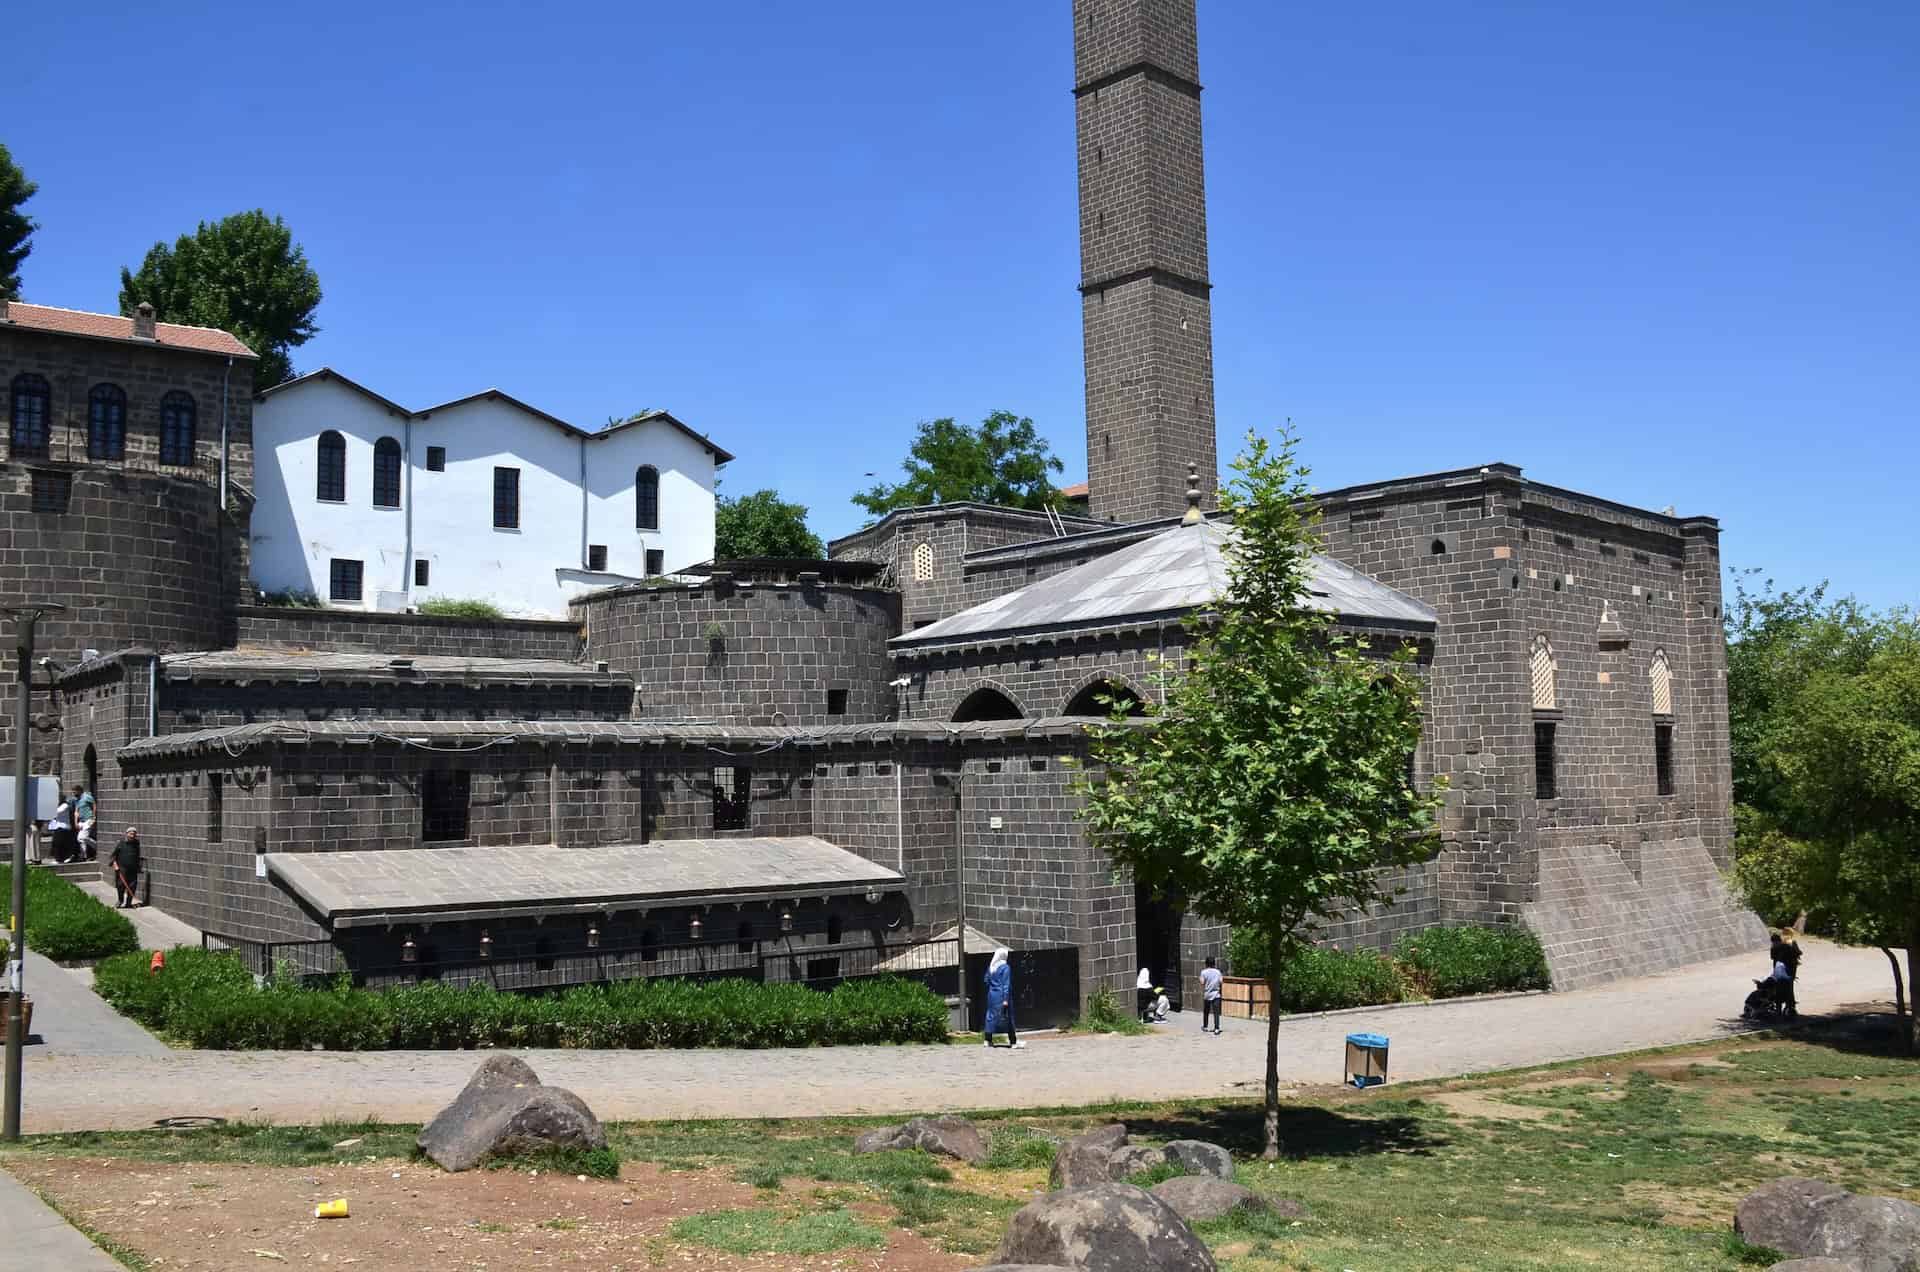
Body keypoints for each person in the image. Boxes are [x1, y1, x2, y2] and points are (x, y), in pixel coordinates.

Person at [982, 947, 1024, 1049]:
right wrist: (1005, 999)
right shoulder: (1005, 968)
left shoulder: (991, 967)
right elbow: (1006, 984)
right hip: (1002, 996)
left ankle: (988, 1040)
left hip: (992, 996)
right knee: (1008, 1017)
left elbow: (986, 980)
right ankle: (1013, 1042)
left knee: (990, 1017)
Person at [1769, 928, 1802, 1018]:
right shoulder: (1791, 943)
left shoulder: (1778, 945)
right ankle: (1789, 1007)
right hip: (1790, 970)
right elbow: (1799, 953)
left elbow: (1772, 956)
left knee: (1779, 989)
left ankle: (1780, 1009)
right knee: (1789, 989)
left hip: (1781, 970)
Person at [111, 828, 143, 909]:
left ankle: (129, 903)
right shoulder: (120, 843)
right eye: (131, 834)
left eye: (134, 834)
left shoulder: (136, 843)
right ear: (127, 834)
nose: (132, 836)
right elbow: (113, 855)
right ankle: (120, 900)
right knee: (121, 885)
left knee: (132, 886)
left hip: (133, 868)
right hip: (122, 868)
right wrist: (115, 865)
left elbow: (137, 855)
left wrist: (139, 866)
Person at [46, 791, 77, 863]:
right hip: (58, 827)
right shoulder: (58, 806)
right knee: (56, 843)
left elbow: (57, 812)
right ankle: (58, 858)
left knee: (59, 843)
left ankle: (60, 859)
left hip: (63, 827)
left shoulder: (65, 805)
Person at [1200, 956, 1224, 1035]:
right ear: (1214, 963)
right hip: (1216, 994)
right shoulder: (1218, 972)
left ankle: (1205, 1026)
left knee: (1206, 1011)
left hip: (1207, 994)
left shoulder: (1203, 972)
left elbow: (1202, 982)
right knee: (1216, 1012)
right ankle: (1217, 1028)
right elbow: (1221, 981)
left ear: (1206, 963)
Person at [73, 784, 96, 861]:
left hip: (88, 819)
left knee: (83, 837)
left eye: (75, 792)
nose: (74, 794)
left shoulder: (87, 797)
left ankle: (97, 847)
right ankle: (84, 856)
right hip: (81, 822)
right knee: (80, 839)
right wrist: (76, 822)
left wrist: (93, 817)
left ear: (79, 791)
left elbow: (94, 805)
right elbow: (76, 811)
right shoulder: (77, 800)